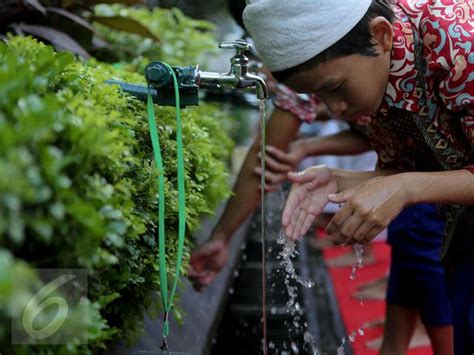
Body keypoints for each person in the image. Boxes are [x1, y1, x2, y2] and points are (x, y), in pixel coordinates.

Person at [242, 0, 473, 353]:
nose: (335, 109)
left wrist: (406, 188)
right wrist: (345, 180)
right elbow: (426, 166)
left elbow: (412, 179)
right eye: (319, 96)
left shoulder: (456, 41)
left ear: (380, 35)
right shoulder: (380, 75)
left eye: (335, 87)